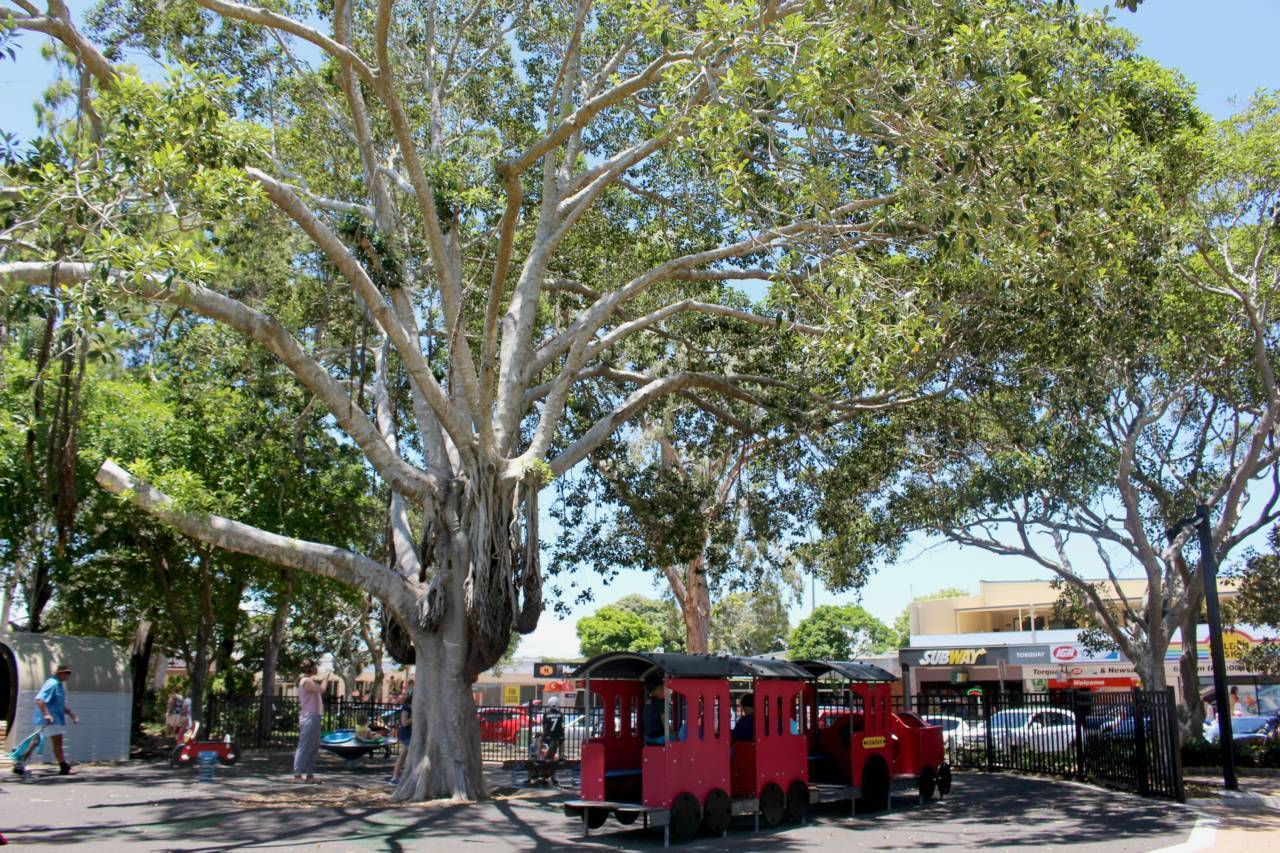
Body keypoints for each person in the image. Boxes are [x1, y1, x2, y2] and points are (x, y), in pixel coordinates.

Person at [13, 662, 79, 776]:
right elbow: (39, 699)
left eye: (69, 673)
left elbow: (58, 704)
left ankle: (20, 763)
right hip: (50, 719)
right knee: (57, 741)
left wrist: (71, 713)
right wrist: (46, 714)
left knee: (36, 741)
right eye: (66, 673)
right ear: (60, 673)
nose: (68, 675)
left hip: (51, 718)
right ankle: (64, 766)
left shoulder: (58, 685)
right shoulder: (52, 684)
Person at [293, 659, 326, 783]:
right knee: (304, 746)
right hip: (309, 717)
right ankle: (297, 775)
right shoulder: (306, 681)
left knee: (313, 747)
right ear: (310, 669)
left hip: (315, 716)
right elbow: (322, 690)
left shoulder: (309, 681)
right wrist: (326, 678)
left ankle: (310, 775)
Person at [389, 688, 413, 786]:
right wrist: (415, 717)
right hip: (406, 733)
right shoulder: (406, 708)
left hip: (411, 733)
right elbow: (404, 722)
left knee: (406, 755)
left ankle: (398, 777)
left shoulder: (413, 707)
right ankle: (395, 777)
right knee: (403, 755)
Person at [540, 696, 565, 762]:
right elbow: (562, 726)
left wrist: (545, 734)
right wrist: (562, 735)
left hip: (547, 735)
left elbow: (544, 726)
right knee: (561, 742)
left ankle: (539, 757)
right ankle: (561, 756)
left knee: (539, 739)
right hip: (557, 736)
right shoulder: (560, 714)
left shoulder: (546, 714)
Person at [643, 676, 666, 745]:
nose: (664, 691)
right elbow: (665, 725)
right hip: (660, 738)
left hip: (649, 739)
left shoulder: (647, 703)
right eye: (662, 688)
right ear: (657, 688)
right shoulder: (660, 702)